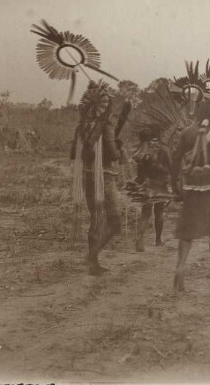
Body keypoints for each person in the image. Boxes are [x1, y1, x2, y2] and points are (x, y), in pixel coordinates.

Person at [171, 101, 210, 291]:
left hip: (191, 186)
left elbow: (176, 158)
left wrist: (174, 183)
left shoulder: (187, 133)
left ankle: (180, 266)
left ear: (198, 113)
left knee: (187, 229)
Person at [70, 81, 122, 276]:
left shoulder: (81, 127)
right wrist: (119, 148)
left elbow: (73, 154)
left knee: (96, 218)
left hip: (86, 177)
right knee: (115, 222)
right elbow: (114, 155)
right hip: (104, 178)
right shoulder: (105, 127)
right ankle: (92, 255)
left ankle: (93, 263)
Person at [134, 126, 172, 252]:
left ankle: (139, 241)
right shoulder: (164, 149)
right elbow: (171, 168)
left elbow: (139, 173)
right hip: (160, 184)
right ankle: (158, 240)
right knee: (159, 212)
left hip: (146, 184)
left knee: (145, 213)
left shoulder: (142, 151)